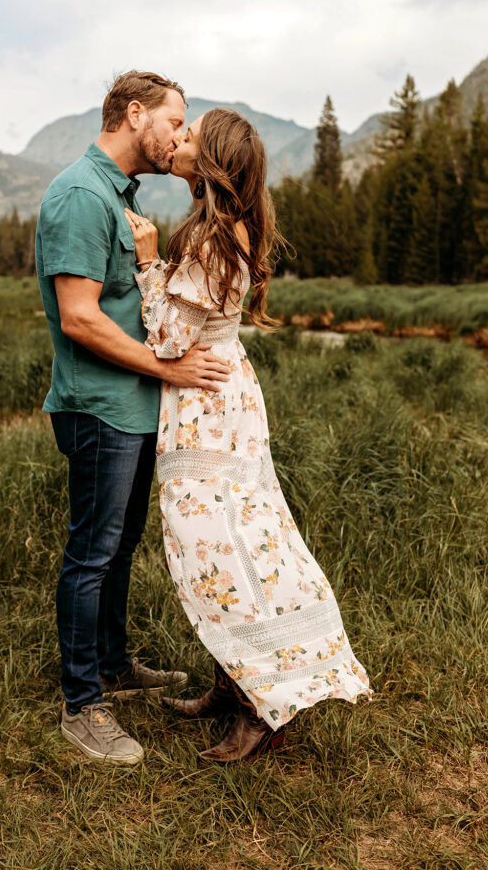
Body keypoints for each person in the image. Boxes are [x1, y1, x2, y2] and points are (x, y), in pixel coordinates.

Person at [124, 107, 373, 765]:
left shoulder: (204, 241)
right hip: (228, 396)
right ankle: (233, 684)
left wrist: (148, 263)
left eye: (190, 137)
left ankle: (260, 705)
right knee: (238, 538)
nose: (176, 141)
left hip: (205, 403)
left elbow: (170, 338)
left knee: (216, 552)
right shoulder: (226, 226)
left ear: (207, 165)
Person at [35, 72, 232, 766]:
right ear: (134, 112)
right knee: (91, 553)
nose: (180, 136)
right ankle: (82, 706)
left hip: (133, 405)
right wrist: (171, 370)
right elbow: (80, 318)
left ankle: (114, 666)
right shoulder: (81, 196)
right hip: (99, 406)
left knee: (118, 546)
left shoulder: (123, 196)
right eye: (174, 122)